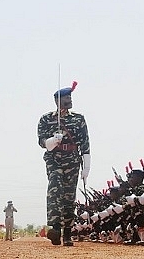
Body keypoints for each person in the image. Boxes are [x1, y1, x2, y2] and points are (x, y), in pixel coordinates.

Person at [37, 81, 91, 246]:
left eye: (70, 97)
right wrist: (52, 141)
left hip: (72, 159)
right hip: (54, 159)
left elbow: (85, 143)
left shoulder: (78, 119)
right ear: (57, 101)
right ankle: (55, 228)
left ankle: (67, 233)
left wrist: (86, 165)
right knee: (55, 186)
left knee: (69, 195)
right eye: (66, 97)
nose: (69, 100)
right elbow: (41, 141)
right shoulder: (46, 119)